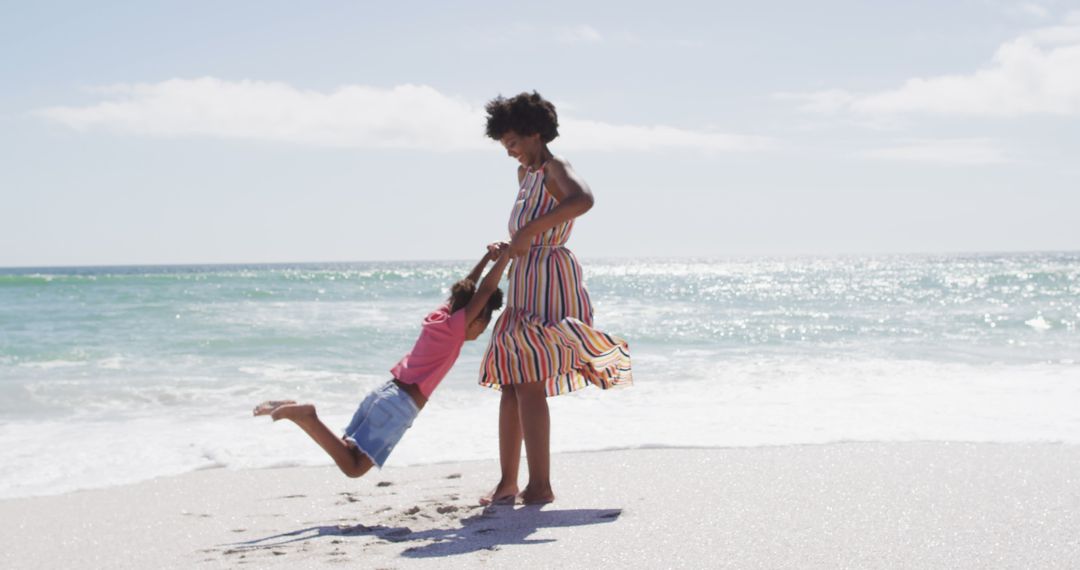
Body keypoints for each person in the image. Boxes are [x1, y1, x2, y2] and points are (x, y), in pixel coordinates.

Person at [479, 91, 633, 505]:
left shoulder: (555, 167)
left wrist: (530, 233)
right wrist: (511, 243)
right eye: (504, 143)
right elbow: (530, 229)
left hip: (551, 279)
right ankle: (508, 482)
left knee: (528, 382)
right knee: (511, 381)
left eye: (512, 141)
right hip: (525, 277)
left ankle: (540, 485)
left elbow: (582, 200)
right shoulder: (524, 176)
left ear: (534, 133)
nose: (508, 150)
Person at [253, 245, 511, 478]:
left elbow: (468, 286)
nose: (480, 331)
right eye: (484, 325)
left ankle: (297, 413)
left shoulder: (439, 317)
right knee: (354, 468)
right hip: (399, 406)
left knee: (346, 452)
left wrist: (488, 257)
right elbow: (486, 289)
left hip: (383, 394)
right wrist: (505, 258)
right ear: (476, 319)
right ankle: (307, 416)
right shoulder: (456, 328)